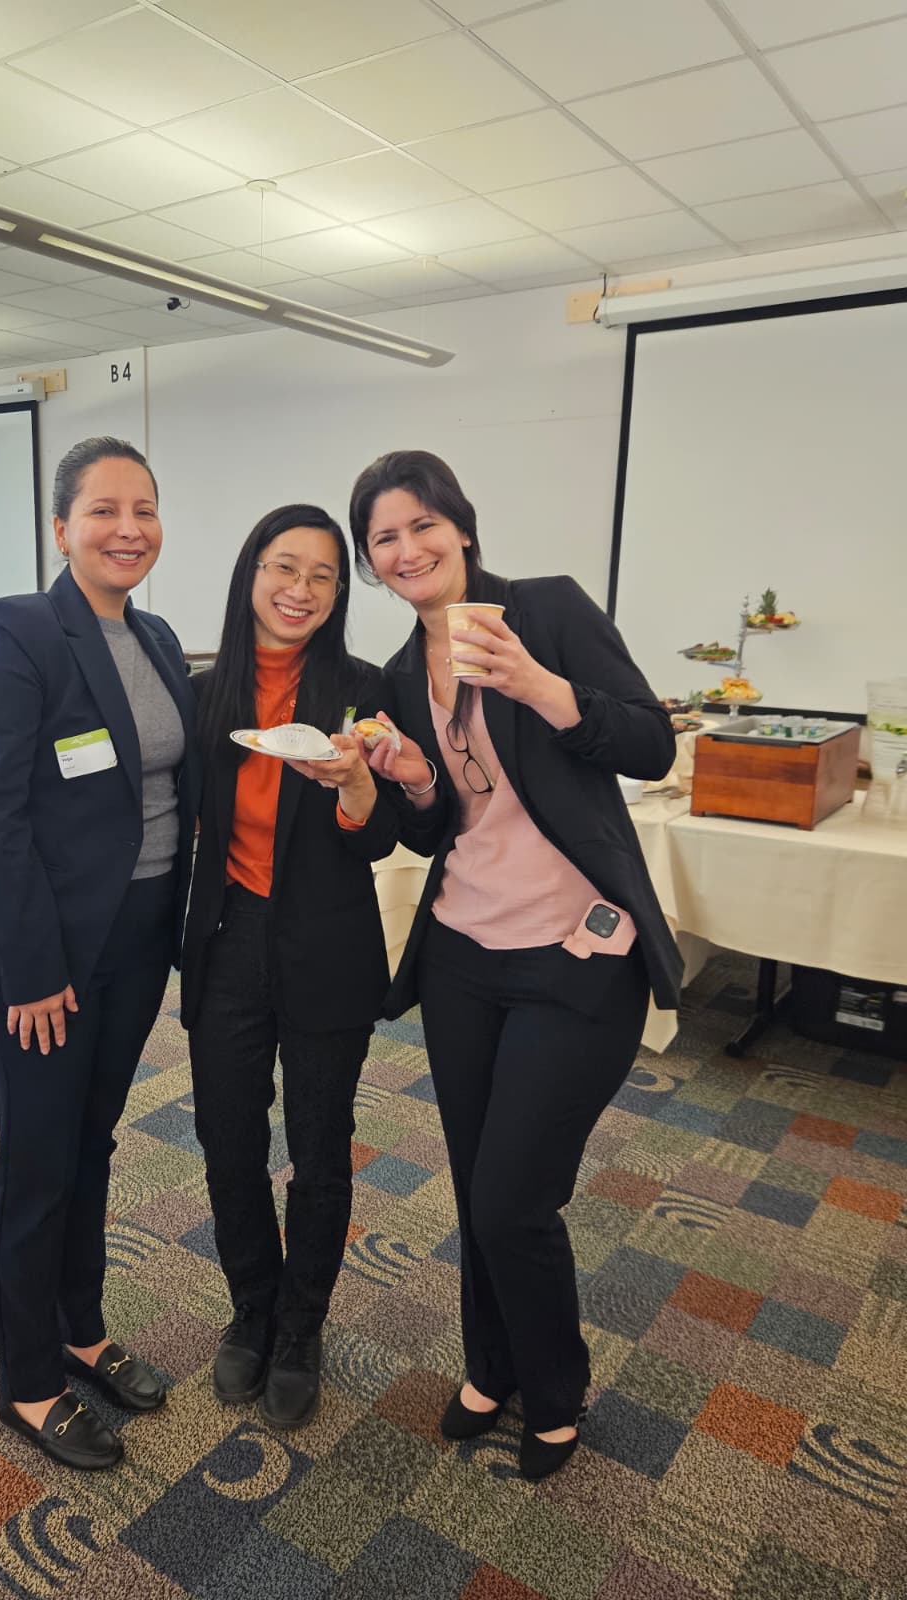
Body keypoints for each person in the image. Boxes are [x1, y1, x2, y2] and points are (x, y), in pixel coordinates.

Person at [347, 450, 681, 1480]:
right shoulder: (399, 673)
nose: (407, 549)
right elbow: (438, 825)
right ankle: (490, 1369)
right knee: (475, 1184)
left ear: (461, 525)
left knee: (511, 1199)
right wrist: (413, 780)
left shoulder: (546, 609)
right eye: (384, 538)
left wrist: (540, 686)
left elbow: (652, 745)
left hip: (577, 955)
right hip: (463, 957)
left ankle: (555, 1385)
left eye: (422, 525)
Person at [0, 437, 200, 1470]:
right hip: (38, 954)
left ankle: (80, 1329)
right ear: (61, 528)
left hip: (135, 940)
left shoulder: (159, 635)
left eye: (145, 509)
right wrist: (37, 969)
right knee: (39, 1159)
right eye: (103, 510)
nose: (128, 529)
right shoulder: (18, 631)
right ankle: (29, 1380)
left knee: (92, 1142)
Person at [181, 504, 399, 1430]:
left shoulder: (365, 691)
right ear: (250, 574)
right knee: (227, 1139)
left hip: (327, 943)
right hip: (228, 937)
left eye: (322, 575)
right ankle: (252, 1308)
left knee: (319, 1150)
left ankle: (302, 1326)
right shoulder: (204, 693)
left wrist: (357, 787)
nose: (300, 589)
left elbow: (387, 837)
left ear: (340, 592)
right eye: (283, 567)